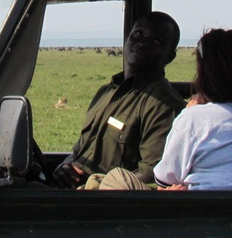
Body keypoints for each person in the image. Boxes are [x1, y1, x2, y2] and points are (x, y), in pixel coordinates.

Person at [99, 28, 232, 191]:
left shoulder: (194, 118)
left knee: (114, 179)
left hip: (197, 208)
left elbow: (165, 177)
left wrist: (191, 112)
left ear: (207, 75)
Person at [52, 11, 186, 188]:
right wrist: (64, 166)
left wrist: (99, 185)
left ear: (169, 57)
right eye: (138, 33)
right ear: (127, 37)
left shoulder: (163, 105)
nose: (142, 42)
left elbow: (152, 176)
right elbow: (79, 150)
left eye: (156, 41)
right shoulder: (106, 92)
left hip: (101, 202)